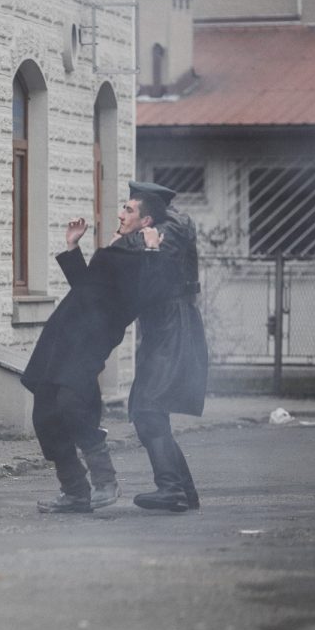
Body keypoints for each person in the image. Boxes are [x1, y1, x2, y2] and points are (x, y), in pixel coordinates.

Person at [21, 194, 172, 513]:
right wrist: (73, 247)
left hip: (88, 342)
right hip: (62, 337)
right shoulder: (119, 249)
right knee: (45, 414)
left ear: (146, 221)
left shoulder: (142, 254)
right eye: (123, 208)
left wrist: (152, 251)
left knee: (73, 406)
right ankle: (75, 491)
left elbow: (153, 294)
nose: (121, 214)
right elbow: (86, 288)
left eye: (129, 210)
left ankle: (106, 481)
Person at [122, 181, 208, 513]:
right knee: (149, 410)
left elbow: (155, 271)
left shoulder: (168, 230)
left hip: (172, 326)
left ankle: (171, 489)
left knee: (148, 409)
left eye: (131, 208)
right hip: (165, 326)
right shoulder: (169, 227)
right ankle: (182, 491)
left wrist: (129, 241)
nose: (124, 214)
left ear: (149, 212)